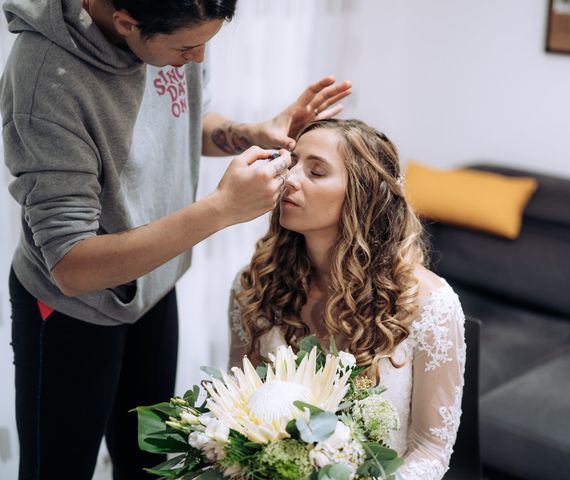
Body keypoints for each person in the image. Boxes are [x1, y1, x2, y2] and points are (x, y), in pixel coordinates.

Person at [1, 0, 351, 478]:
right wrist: (222, 209)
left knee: (150, 463)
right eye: (188, 48)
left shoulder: (170, 30)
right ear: (126, 22)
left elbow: (183, 120)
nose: (200, 59)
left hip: (152, 287)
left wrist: (250, 131)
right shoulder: (47, 83)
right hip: (70, 312)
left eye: (207, 42)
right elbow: (72, 267)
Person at [228, 119, 466, 480]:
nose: (289, 178)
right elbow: (237, 412)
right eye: (290, 163)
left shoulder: (431, 306)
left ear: (363, 194)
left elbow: (431, 449)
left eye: (316, 172)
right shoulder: (255, 285)